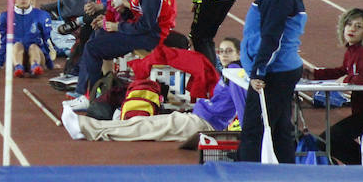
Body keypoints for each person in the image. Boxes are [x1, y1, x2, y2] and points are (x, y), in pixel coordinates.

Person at [62, 37, 246, 141]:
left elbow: (242, 106)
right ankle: (85, 128)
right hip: (198, 118)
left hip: (203, 124)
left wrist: (248, 136)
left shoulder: (236, 73)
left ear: (239, 54)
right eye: (221, 51)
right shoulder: (229, 73)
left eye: (229, 51)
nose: (223, 55)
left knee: (143, 127)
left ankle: (86, 128)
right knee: (143, 126)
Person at [65, 0, 175, 111]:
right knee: (99, 34)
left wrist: (118, 26)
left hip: (152, 36)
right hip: (143, 32)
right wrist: (123, 9)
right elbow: (138, 15)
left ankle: (91, 96)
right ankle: (96, 90)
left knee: (92, 48)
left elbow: (146, 25)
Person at [238, 0, 307, 163]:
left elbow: (272, 37)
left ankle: (245, 175)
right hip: (280, 69)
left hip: (274, 71)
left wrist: (259, 72)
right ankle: (287, 172)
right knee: (279, 129)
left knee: (253, 128)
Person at [304, 8, 363, 165]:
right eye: (349, 24)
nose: (352, 29)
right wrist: (314, 74)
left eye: (358, 26)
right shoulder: (354, 50)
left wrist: (346, 79)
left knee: (328, 139)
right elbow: (343, 70)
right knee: (327, 140)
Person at [0, 0, 54, 78]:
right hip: (16, 56)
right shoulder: (6, 17)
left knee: (33, 47)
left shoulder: (41, 15)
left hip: (36, 55)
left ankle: (35, 67)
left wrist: (50, 64)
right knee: (17, 45)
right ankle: (18, 67)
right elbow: (4, 41)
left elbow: (45, 41)